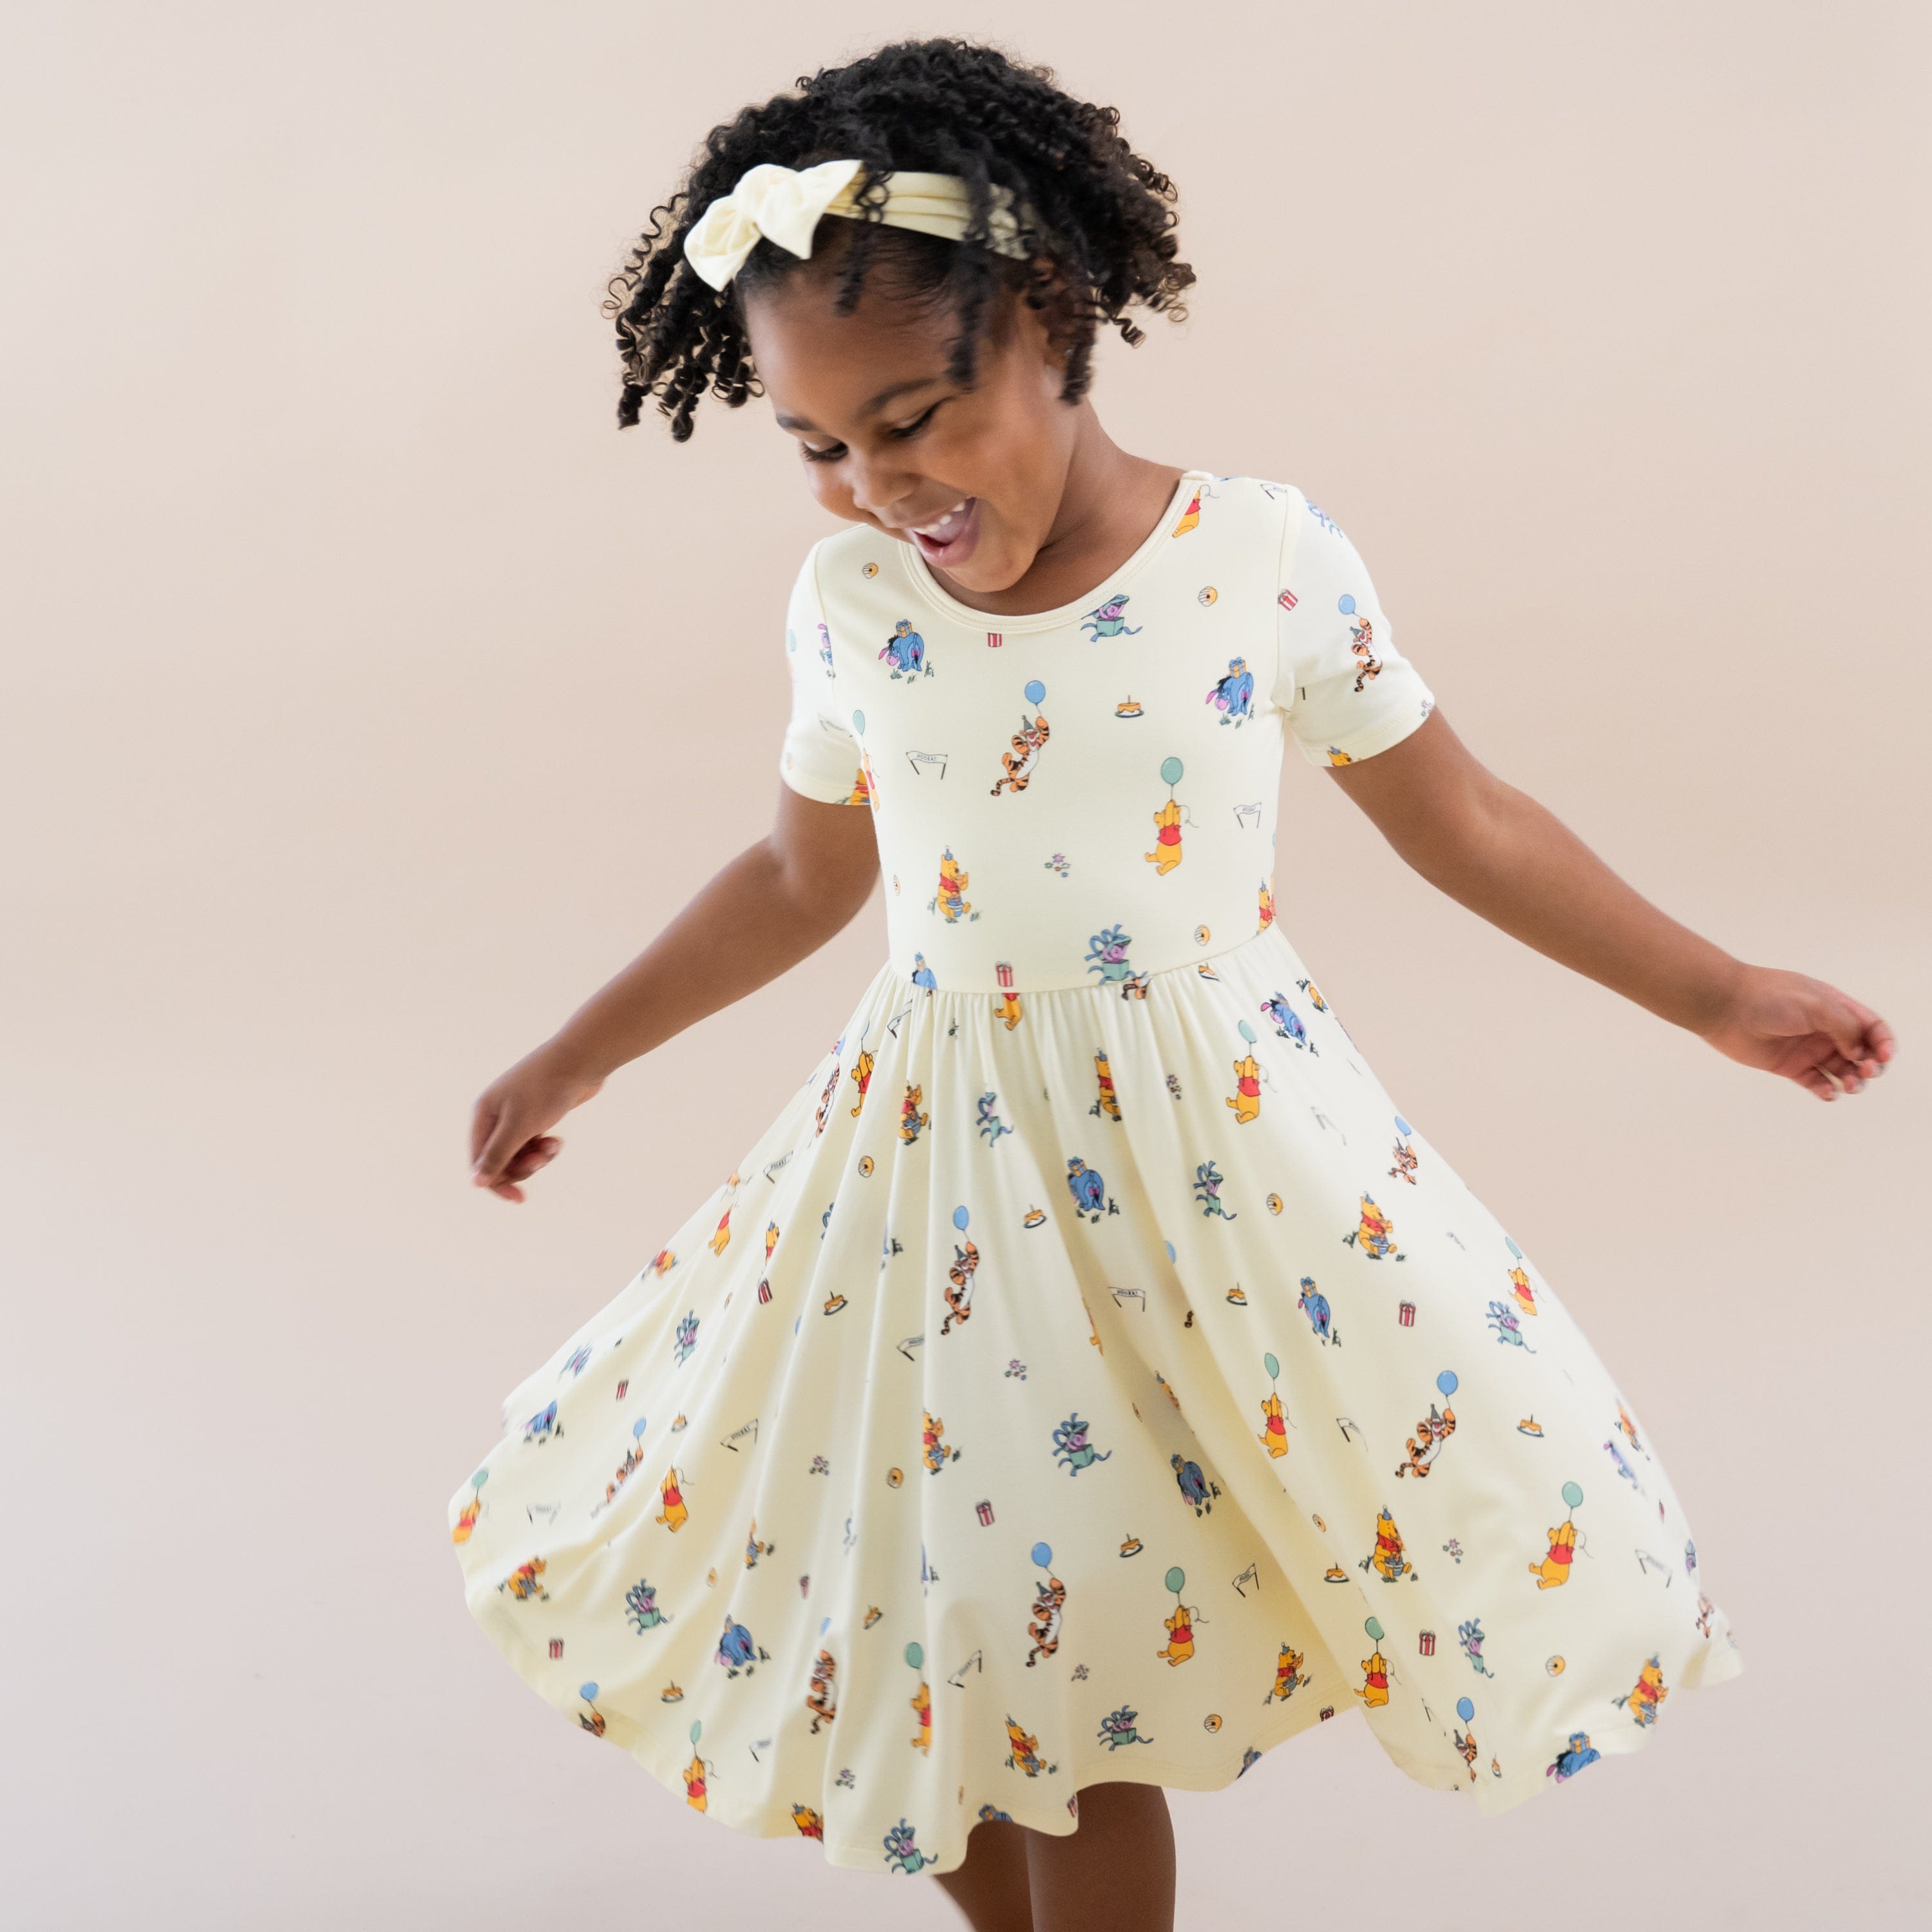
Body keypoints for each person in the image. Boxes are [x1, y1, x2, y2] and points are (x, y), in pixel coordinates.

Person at [448, 39, 1893, 1932]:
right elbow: (805, 877)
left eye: (915, 419)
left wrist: (1715, 995)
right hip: (941, 1180)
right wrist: (577, 1052)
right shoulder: (856, 610)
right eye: (822, 448)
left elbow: (1465, 822)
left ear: (1050, 321)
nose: (880, 488)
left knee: (1081, 1686)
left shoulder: (1257, 560)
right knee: (937, 1642)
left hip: (1211, 1170)